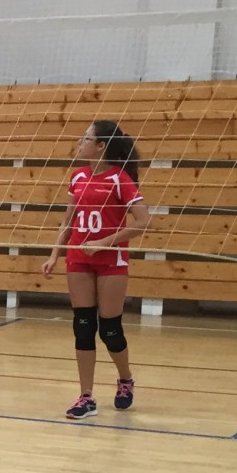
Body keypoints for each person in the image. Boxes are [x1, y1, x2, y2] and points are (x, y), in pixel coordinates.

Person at [41, 121, 150, 419]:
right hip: (79, 257)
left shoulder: (119, 179)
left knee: (110, 330)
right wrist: (54, 254)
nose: (80, 143)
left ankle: (125, 379)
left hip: (111, 259)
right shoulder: (77, 176)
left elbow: (143, 221)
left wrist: (104, 242)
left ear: (101, 146)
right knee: (83, 325)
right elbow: (68, 221)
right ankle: (86, 396)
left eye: (85, 138)